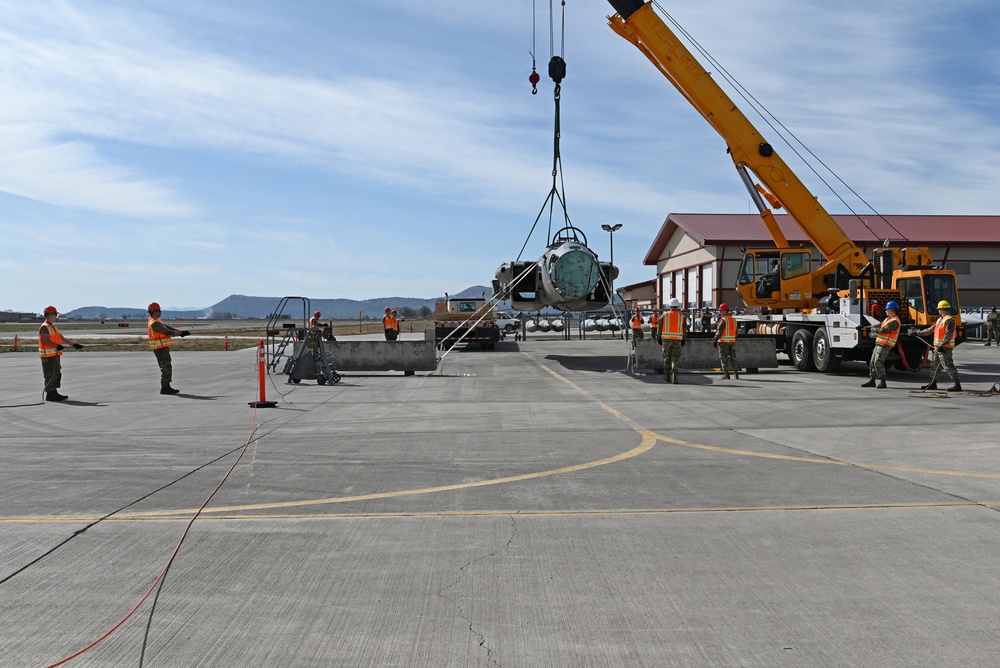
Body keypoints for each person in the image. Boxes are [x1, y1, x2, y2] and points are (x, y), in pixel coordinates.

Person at [38, 305, 83, 402]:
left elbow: (62, 338)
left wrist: (74, 344)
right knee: (50, 375)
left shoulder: (52, 327)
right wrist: (56, 346)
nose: (56, 317)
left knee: (56, 374)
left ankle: (54, 393)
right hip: (48, 357)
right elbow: (46, 341)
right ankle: (50, 394)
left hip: (54, 355)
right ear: (50, 315)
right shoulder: (45, 327)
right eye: (55, 314)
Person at [915, 300, 961, 392]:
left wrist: (943, 346)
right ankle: (933, 383)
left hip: (945, 348)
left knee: (948, 365)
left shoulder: (949, 320)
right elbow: (931, 329)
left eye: (939, 309)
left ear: (942, 309)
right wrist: (917, 334)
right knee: (935, 366)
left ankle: (957, 384)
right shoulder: (940, 320)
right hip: (937, 347)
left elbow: (948, 334)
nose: (938, 311)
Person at [147, 302, 189, 395]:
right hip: (160, 349)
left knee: (167, 367)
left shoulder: (156, 320)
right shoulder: (155, 323)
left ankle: (167, 386)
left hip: (162, 348)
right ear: (155, 311)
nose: (160, 312)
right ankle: (165, 388)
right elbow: (166, 331)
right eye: (159, 310)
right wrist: (181, 334)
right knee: (166, 368)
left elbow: (169, 328)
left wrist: (181, 332)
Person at [862, 300, 900, 389]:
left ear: (892, 310)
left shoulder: (894, 321)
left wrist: (871, 330)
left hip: (885, 344)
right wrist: (865, 327)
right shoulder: (888, 319)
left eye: (887, 309)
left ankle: (882, 381)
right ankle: (872, 380)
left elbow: (883, 330)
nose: (886, 311)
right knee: (872, 362)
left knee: (878, 362)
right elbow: (879, 325)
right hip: (879, 343)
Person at [660, 298, 686, 384]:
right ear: (677, 306)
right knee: (675, 359)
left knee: (667, 358)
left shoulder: (664, 315)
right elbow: (684, 329)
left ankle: (667, 376)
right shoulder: (682, 317)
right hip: (677, 341)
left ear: (670, 305)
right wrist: (683, 339)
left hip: (666, 340)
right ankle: (674, 377)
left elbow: (659, 328)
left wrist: (658, 338)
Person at [713, 303, 739, 380]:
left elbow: (719, 331)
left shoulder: (723, 320)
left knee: (724, 358)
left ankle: (727, 374)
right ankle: (736, 374)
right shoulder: (734, 320)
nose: (720, 312)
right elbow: (736, 332)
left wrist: (715, 340)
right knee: (732, 357)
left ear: (725, 311)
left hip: (723, 342)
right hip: (732, 341)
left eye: (721, 311)